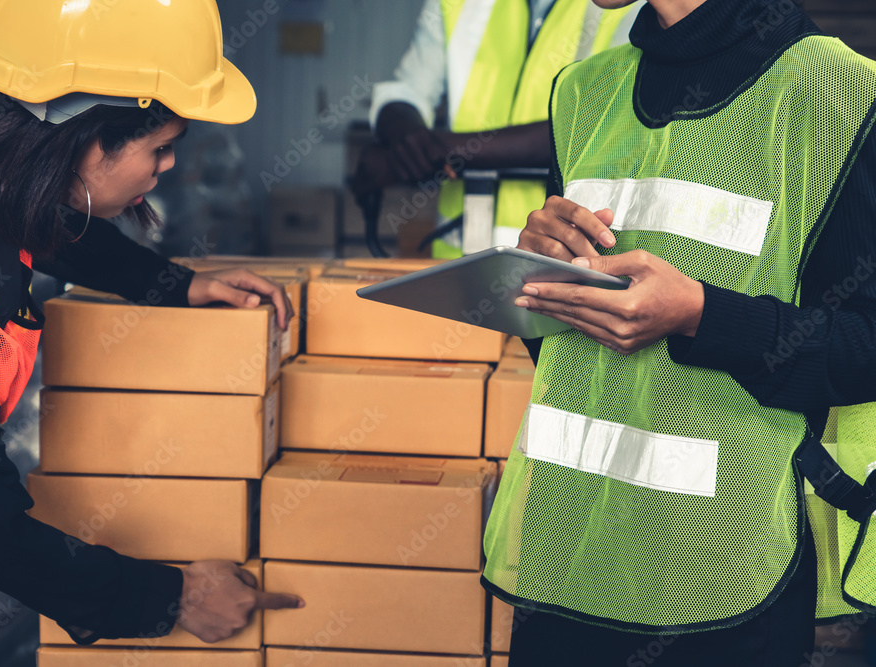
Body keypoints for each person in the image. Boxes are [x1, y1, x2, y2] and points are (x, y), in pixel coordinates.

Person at [0, 1, 303, 664]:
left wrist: (171, 283)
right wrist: (178, 596)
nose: (166, 168)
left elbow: (26, 212)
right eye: (159, 149)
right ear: (84, 143)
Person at [483, 0, 876, 664]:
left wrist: (701, 313)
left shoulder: (837, 91)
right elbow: (565, 352)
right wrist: (541, 278)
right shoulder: (585, 91)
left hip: (722, 583)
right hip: (568, 559)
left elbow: (864, 345)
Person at [352, 0, 642, 258]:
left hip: (556, 258)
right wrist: (407, 141)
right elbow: (408, 90)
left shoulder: (620, 4)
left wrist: (441, 150)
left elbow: (601, 121)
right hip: (457, 257)